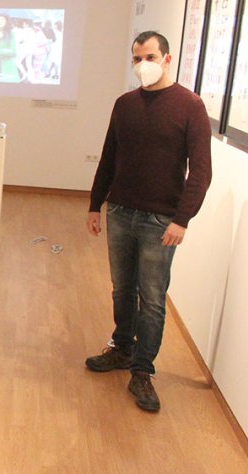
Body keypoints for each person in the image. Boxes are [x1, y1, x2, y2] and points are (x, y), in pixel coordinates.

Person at [85, 31, 212, 412]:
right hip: (121, 211)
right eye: (137, 58)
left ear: (168, 58)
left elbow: (201, 172)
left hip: (161, 220)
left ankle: (143, 370)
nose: (143, 65)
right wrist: (95, 205)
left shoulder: (190, 106)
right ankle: (122, 348)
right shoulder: (124, 104)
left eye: (150, 56)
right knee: (122, 289)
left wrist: (182, 219)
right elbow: (108, 157)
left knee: (153, 298)